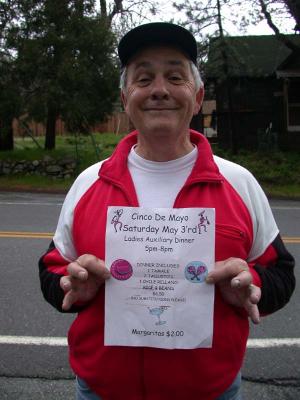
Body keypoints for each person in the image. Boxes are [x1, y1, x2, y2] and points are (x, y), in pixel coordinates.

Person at [39, 22, 295, 400]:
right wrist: (74, 286)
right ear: (125, 99)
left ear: (198, 96)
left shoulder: (238, 183)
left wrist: (250, 285)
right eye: (143, 79)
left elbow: (281, 275)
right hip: (103, 390)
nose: (159, 90)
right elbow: (51, 267)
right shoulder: (88, 182)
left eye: (175, 76)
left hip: (210, 391)